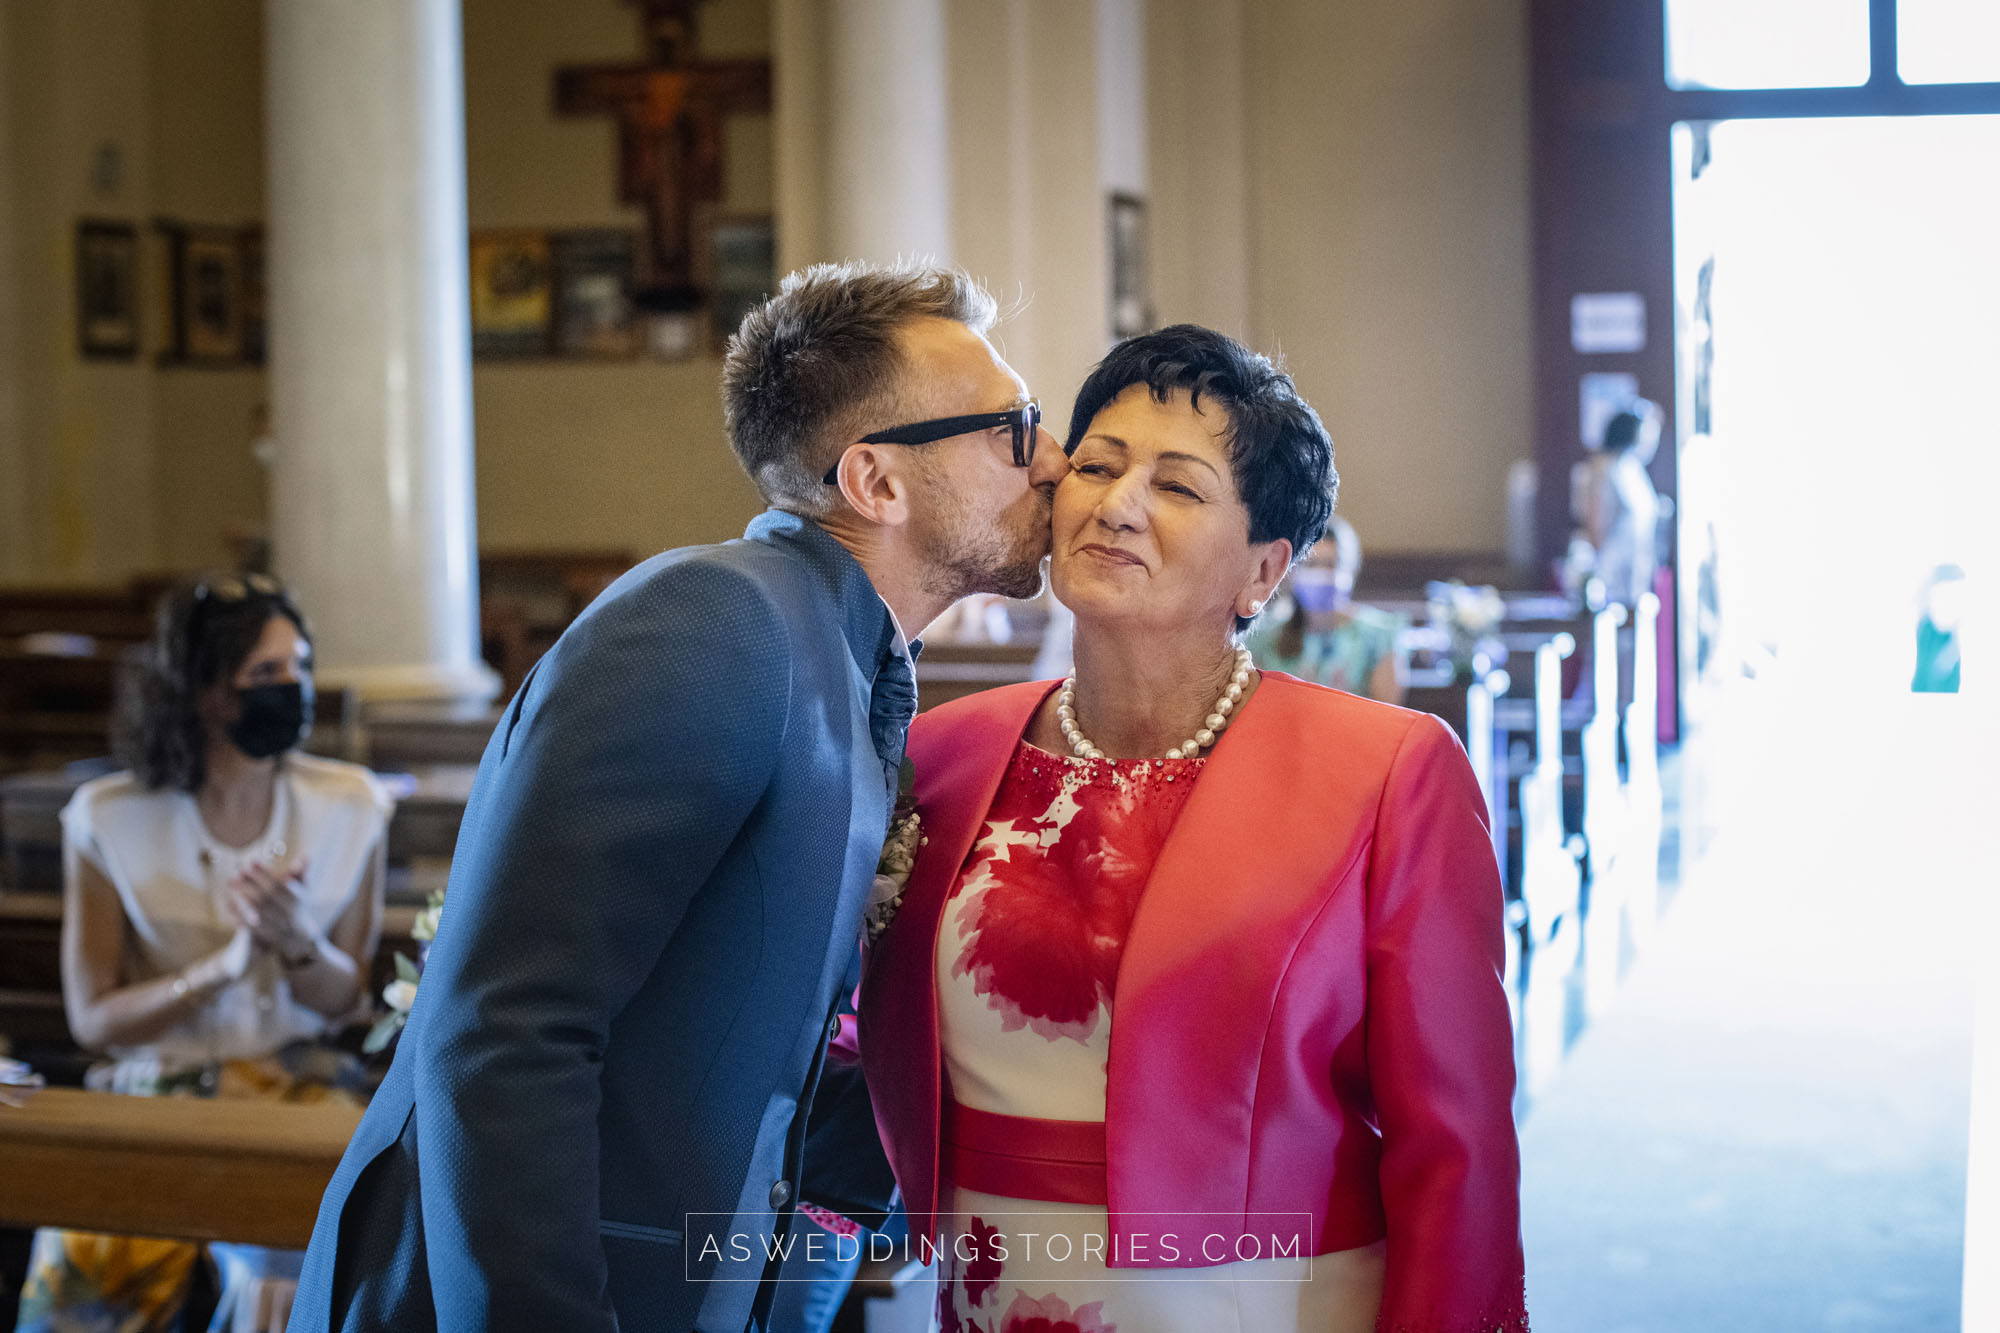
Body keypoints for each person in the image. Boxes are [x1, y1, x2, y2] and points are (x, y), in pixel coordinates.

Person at [291, 260, 1068, 1333]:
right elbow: (507, 1028)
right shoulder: (716, 624)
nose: (1056, 462)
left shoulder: (839, 660)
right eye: (1013, 428)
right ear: (876, 481)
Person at [859, 325, 1527, 1332]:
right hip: (994, 1291)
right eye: (1095, 466)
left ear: (1263, 569)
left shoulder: (1387, 771)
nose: (1117, 504)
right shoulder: (941, 758)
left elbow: (1457, 1145)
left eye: (1176, 486)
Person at [17, 574, 390, 1333]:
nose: (295, 688)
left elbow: (347, 999)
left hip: (294, 1084)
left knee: (309, 1266)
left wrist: (294, 943)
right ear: (204, 692)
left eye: (302, 668)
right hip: (153, 1089)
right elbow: (95, 1019)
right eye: (266, 674)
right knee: (91, 1276)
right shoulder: (108, 818)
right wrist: (218, 968)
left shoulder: (351, 805)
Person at [1247, 514, 1409, 703]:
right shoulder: (1264, 636)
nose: (1322, 574)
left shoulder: (1379, 635)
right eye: (1312, 565)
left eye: (1332, 565)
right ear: (1293, 571)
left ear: (1351, 570)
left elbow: (1389, 715)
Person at [1576, 400, 1664, 608]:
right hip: (1611, 575)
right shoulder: (1604, 469)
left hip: (1637, 572)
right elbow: (1595, 523)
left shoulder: (1633, 469)